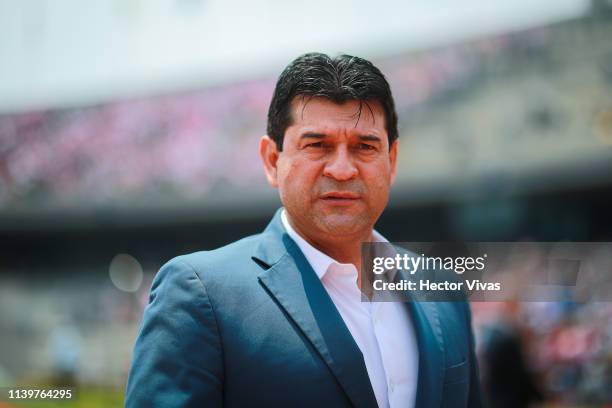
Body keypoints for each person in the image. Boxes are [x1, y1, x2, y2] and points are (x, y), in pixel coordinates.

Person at [125, 52, 483, 407]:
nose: (342, 169)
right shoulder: (202, 296)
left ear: (391, 161)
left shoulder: (443, 290)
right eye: (317, 145)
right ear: (272, 160)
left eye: (364, 147)